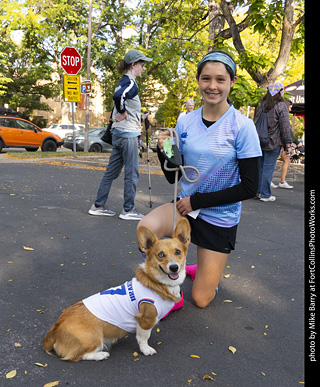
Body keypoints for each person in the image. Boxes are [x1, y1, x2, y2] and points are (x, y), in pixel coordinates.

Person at [137, 50, 262, 309]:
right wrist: (164, 152)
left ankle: (198, 270)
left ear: (232, 82)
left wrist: (197, 201)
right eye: (206, 79)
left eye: (220, 79)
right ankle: (171, 277)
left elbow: (250, 187)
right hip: (185, 208)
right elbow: (174, 177)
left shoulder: (242, 126)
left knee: (200, 299)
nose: (212, 86)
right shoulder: (186, 122)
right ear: (198, 81)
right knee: (144, 228)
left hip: (219, 215)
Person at [89, 50, 152, 220]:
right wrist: (124, 112)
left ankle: (98, 205)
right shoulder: (131, 83)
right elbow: (119, 97)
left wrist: (139, 116)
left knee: (111, 172)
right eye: (142, 65)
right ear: (133, 65)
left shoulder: (122, 82)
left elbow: (120, 99)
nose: (143, 68)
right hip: (128, 136)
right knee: (132, 173)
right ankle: (128, 210)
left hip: (118, 134)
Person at [257, 82, 292, 201]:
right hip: (273, 142)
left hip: (259, 141)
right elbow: (285, 126)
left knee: (260, 167)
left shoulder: (262, 105)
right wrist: (288, 143)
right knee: (268, 168)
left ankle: (258, 191)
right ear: (280, 92)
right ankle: (265, 195)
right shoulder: (281, 106)